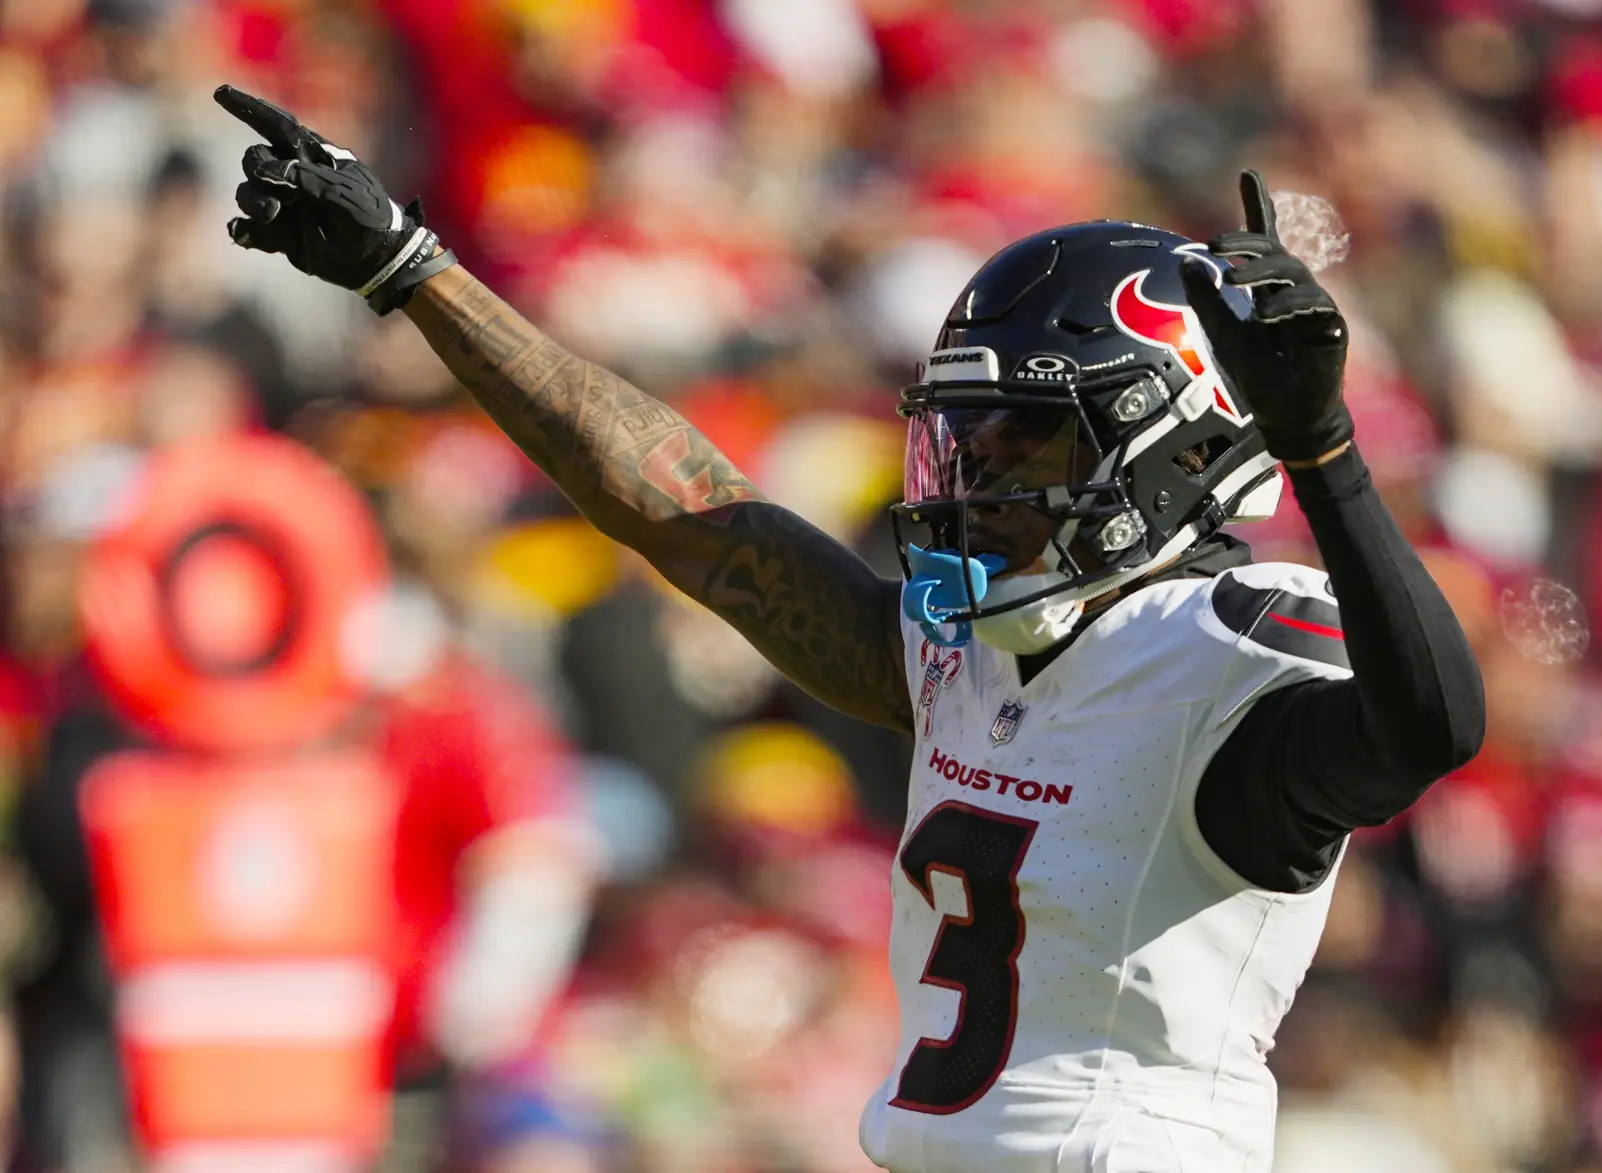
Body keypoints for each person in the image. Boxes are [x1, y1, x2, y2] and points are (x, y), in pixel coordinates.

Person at [212, 85, 1484, 1173]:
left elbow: (1430, 726)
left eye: (1030, 438)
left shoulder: (1226, 654)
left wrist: (1323, 449)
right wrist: (415, 274)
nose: (982, 479)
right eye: (967, 439)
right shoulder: (969, 655)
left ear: (1177, 445)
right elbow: (687, 512)